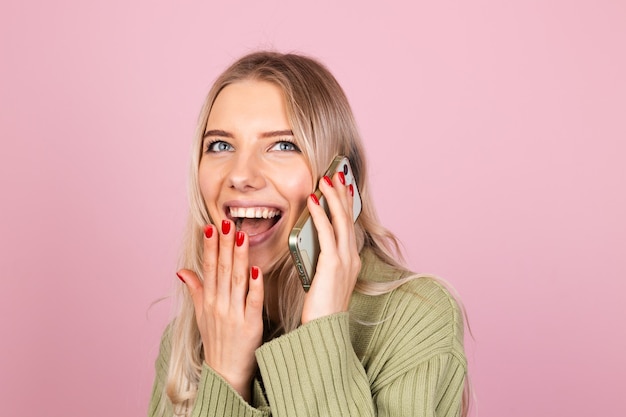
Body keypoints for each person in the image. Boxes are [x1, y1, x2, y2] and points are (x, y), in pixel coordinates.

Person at [148, 51, 469, 417]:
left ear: (339, 179)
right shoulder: (190, 335)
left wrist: (320, 330)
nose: (240, 175)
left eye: (283, 145)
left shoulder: (415, 315)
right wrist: (225, 371)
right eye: (221, 145)